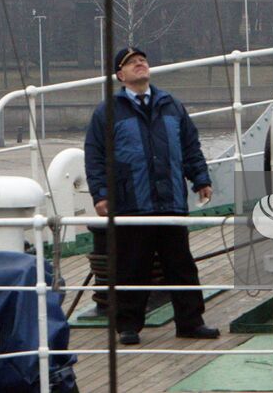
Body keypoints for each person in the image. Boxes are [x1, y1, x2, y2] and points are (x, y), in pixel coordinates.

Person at [84, 46, 219, 346]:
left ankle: (190, 322)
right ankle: (128, 326)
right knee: (132, 266)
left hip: (170, 200)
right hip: (132, 202)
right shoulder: (107, 112)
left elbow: (189, 146)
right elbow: (95, 157)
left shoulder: (171, 105)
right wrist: (101, 195)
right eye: (132, 63)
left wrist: (200, 179)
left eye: (143, 60)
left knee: (181, 265)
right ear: (120, 75)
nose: (140, 64)